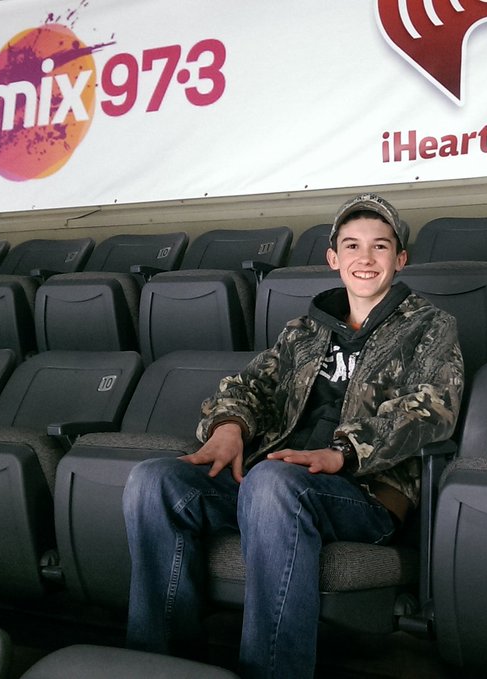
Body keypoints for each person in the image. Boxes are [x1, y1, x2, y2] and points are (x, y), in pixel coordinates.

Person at [122, 193, 465, 678]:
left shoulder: (430, 327)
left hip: (364, 493)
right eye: (351, 246)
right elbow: (248, 386)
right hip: (278, 479)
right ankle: (160, 663)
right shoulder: (304, 330)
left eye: (380, 247)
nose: (365, 259)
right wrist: (228, 428)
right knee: (153, 480)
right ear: (333, 259)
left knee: (269, 481)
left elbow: (431, 410)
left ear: (400, 258)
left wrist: (342, 452)